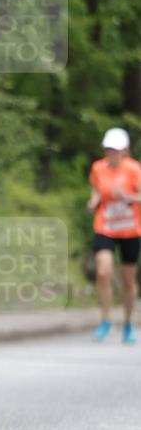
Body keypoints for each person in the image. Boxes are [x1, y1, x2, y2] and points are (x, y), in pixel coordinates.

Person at [86, 127, 141, 344]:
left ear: (125, 150)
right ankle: (106, 320)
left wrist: (127, 196)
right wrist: (93, 201)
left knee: (128, 279)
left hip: (129, 228)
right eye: (108, 149)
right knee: (103, 271)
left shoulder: (134, 170)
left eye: (116, 150)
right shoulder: (98, 168)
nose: (112, 153)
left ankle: (128, 323)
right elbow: (98, 190)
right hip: (105, 226)